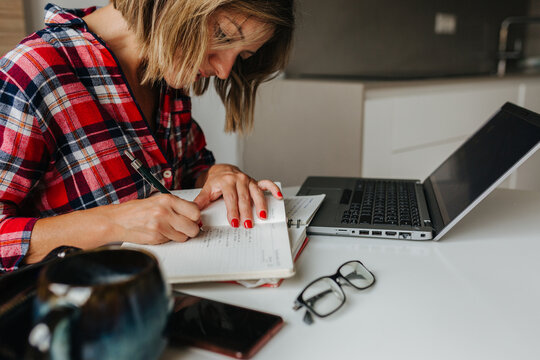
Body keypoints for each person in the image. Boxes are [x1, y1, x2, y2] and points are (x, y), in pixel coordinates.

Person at [0, 0, 295, 272]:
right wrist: (114, 222)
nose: (223, 70)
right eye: (223, 35)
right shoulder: (33, 74)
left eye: (242, 55)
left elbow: (191, 171)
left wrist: (218, 176)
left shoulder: (165, 70)